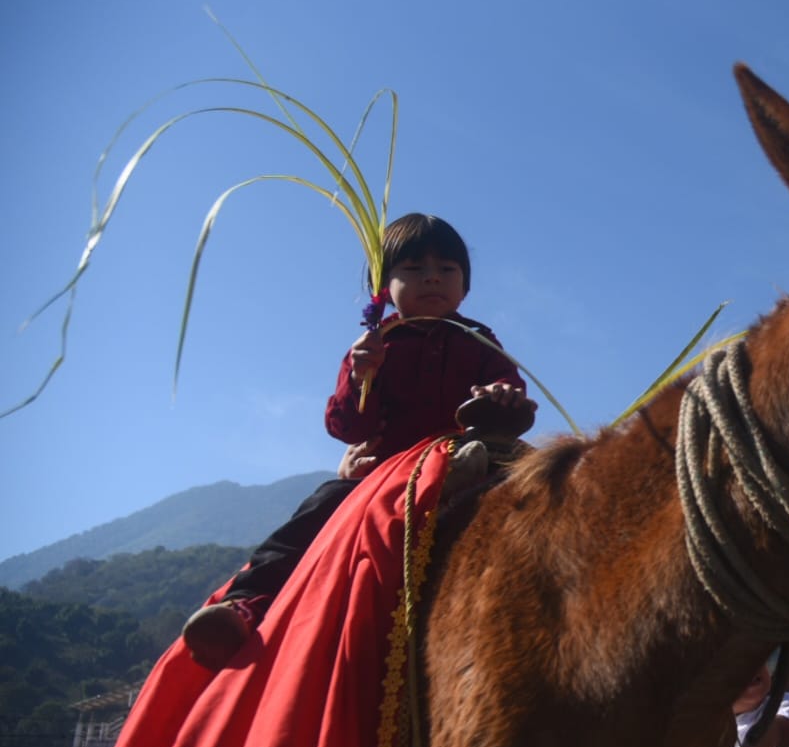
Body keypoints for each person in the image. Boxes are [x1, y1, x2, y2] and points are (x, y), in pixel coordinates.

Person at [181, 213, 534, 669]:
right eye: (412, 268)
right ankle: (247, 602)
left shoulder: (481, 340)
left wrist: (502, 397)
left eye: (447, 268)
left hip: (471, 455)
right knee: (322, 505)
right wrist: (361, 375)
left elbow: (514, 403)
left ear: (464, 287)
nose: (431, 276)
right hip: (390, 470)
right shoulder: (373, 346)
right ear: (382, 285)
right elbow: (348, 427)